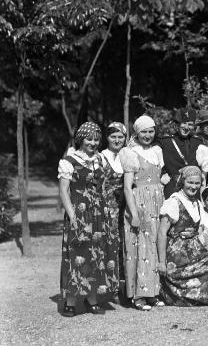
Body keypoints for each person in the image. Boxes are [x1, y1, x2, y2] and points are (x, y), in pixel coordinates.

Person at [58, 122, 118, 316]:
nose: (93, 143)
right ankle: (71, 300)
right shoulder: (69, 160)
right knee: (77, 254)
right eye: (89, 139)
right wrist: (73, 216)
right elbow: (63, 191)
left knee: (97, 255)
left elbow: (106, 186)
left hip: (99, 214)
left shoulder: (100, 159)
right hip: (79, 213)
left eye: (96, 139)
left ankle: (92, 298)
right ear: (80, 139)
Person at [157, 168, 208, 306]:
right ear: (182, 182)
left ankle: (205, 296)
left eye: (197, 183)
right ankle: (182, 296)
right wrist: (161, 262)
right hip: (177, 253)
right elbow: (162, 233)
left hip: (195, 250)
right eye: (190, 182)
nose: (194, 186)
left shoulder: (196, 203)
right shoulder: (173, 202)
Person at [120, 115, 165, 311]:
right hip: (140, 203)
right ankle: (138, 295)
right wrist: (134, 213)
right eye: (143, 132)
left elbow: (159, 176)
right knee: (140, 248)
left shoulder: (157, 150)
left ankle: (153, 292)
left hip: (157, 202)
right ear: (137, 133)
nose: (147, 135)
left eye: (150, 131)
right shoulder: (130, 153)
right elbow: (127, 188)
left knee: (155, 245)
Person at [100, 121, 127, 301]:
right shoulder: (101, 157)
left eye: (120, 137)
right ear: (107, 138)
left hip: (126, 207)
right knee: (110, 246)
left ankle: (127, 287)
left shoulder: (128, 155)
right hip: (108, 208)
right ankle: (111, 288)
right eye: (113, 136)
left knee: (126, 245)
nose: (117, 140)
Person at [159, 108, 202, 198]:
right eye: (184, 123)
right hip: (173, 188)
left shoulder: (198, 142)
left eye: (190, 124)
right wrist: (161, 175)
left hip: (193, 189)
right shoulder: (165, 142)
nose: (186, 127)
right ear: (178, 124)